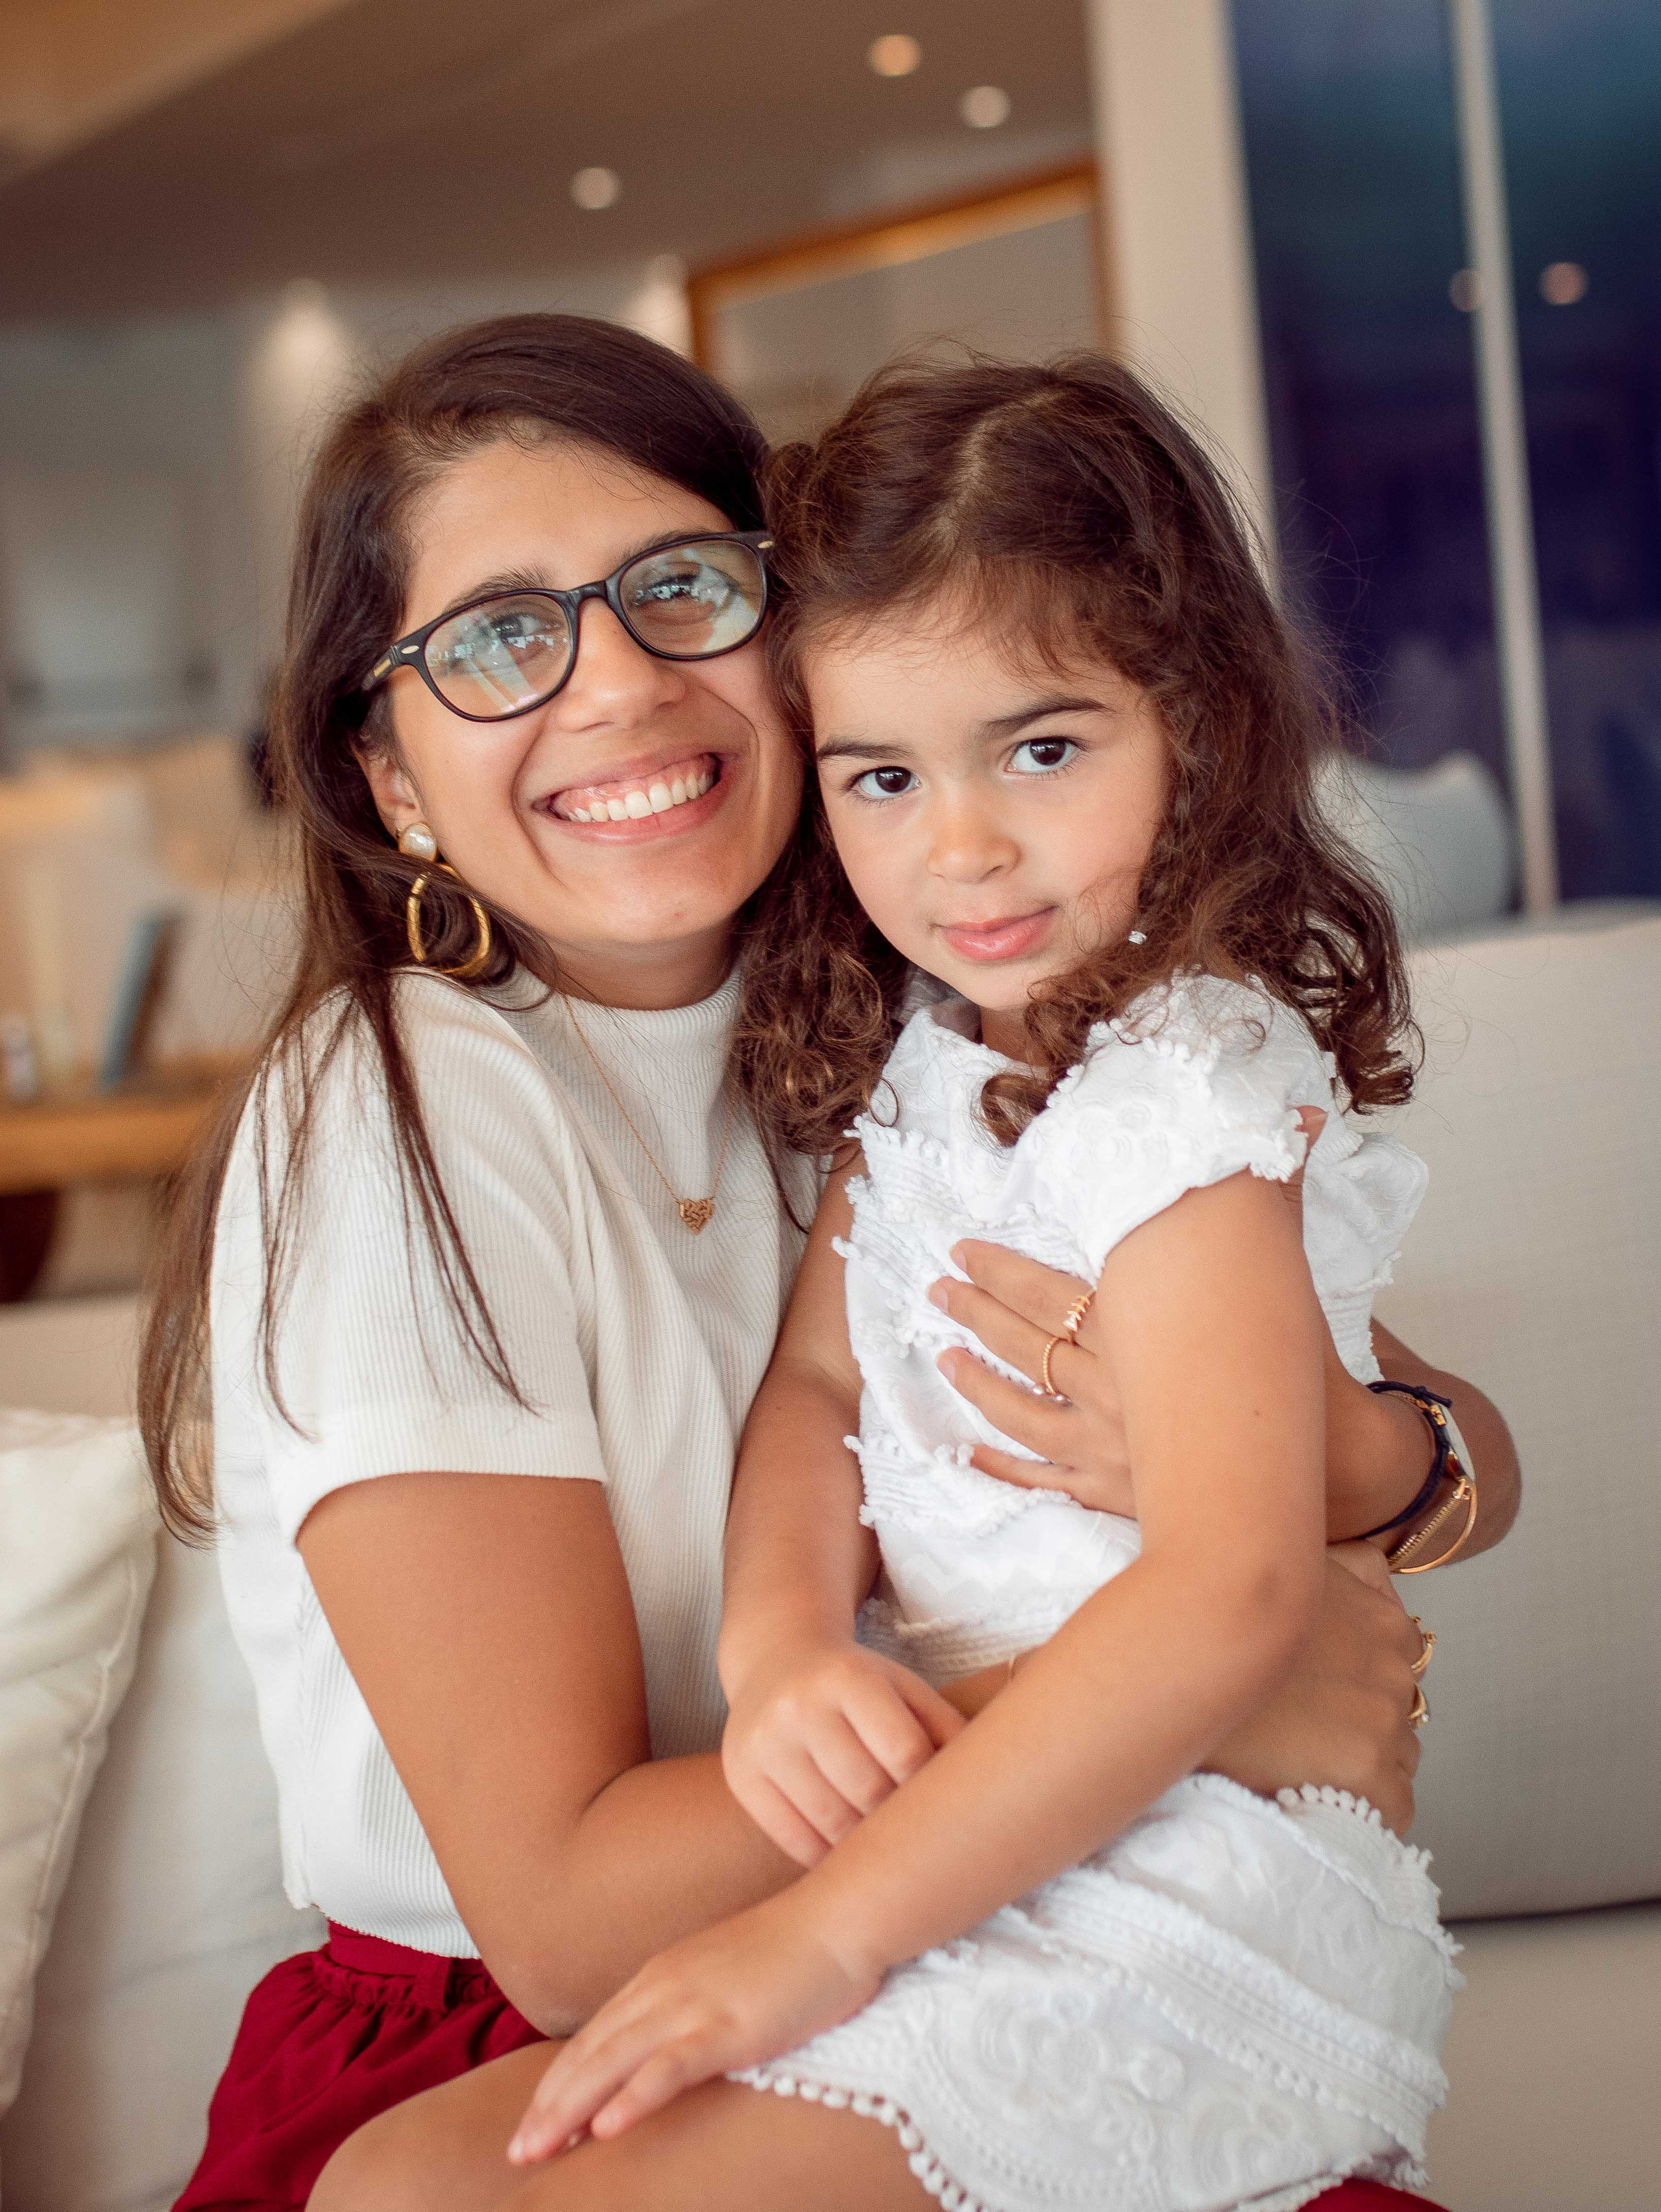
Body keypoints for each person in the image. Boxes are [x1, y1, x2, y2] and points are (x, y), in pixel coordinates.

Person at [134, 315, 1514, 2212]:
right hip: (556, 2007)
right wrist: (1210, 1677)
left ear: (793, 649)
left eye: (678, 589)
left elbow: (1419, 1432)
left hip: (984, 1891)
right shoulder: (400, 1105)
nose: (614, 684)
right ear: (384, 775)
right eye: (501, 637)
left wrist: (1340, 1491)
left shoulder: (939, 1015)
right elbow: (554, 1925)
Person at [497, 354, 1479, 2207]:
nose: (959, 847)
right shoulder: (939, 1056)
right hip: (976, 1849)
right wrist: (780, 1645)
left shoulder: (1194, 1077)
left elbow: (1232, 1585)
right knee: (395, 2179)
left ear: (1193, 718)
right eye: (881, 773)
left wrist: (819, 1937)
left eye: (1042, 747)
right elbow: (814, 1397)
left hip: (1188, 1870)